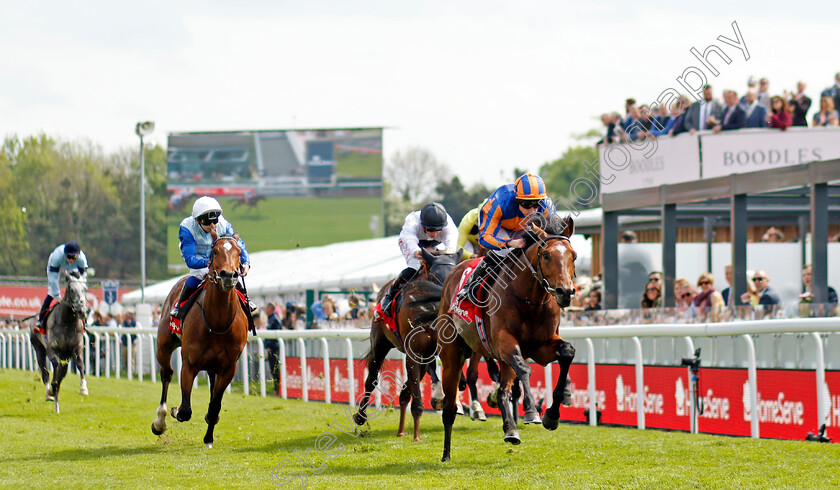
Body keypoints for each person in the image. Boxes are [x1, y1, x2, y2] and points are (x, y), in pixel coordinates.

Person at [457, 173, 557, 301]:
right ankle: (471, 285)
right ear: (517, 199)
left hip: (525, 227)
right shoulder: (499, 202)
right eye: (526, 204)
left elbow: (553, 238)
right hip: (501, 228)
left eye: (537, 204)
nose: (532, 210)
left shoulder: (547, 206)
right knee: (505, 252)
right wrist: (509, 243)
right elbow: (484, 238)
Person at [169, 196, 254, 320]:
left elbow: (238, 244)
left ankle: (246, 300)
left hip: (217, 252)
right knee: (199, 274)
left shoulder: (223, 224)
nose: (213, 225)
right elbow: (190, 259)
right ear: (198, 221)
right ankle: (180, 306)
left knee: (230, 272)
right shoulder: (187, 227)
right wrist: (208, 262)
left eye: (215, 221)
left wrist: (245, 262)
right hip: (197, 255)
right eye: (207, 223)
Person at [376, 202, 458, 318]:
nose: (434, 233)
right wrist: (416, 251)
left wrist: (449, 251)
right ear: (423, 225)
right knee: (415, 266)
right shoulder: (412, 222)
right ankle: (389, 296)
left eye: (438, 230)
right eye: (430, 230)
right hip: (413, 243)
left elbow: (451, 242)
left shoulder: (447, 223)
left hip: (434, 245)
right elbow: (410, 241)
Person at [35, 241, 89, 332]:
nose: (71, 260)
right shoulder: (57, 256)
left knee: (79, 290)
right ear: (65, 255)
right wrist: (57, 295)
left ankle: (84, 319)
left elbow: (83, 279)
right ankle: (41, 320)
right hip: (56, 266)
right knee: (51, 293)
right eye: (69, 257)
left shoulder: (82, 259)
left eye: (74, 257)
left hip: (73, 268)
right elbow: (53, 278)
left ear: (78, 255)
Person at [263, 302, 282, 392]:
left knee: (275, 369)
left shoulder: (275, 319)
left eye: (266, 308)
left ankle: (278, 389)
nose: (265, 310)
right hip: (271, 348)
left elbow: (275, 336)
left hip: (274, 348)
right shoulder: (271, 318)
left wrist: (269, 346)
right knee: (273, 369)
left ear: (270, 309)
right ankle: (277, 388)